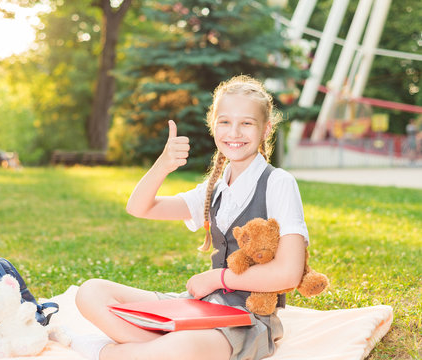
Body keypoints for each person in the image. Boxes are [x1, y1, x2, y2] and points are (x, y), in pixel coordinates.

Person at [72, 75, 309, 360]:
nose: (234, 132)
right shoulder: (215, 188)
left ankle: (109, 352)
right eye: (224, 122)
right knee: (91, 292)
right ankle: (152, 348)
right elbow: (139, 208)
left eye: (246, 123)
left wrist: (217, 278)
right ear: (213, 126)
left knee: (180, 348)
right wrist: (163, 165)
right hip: (201, 307)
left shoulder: (278, 183)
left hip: (248, 320)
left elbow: (289, 273)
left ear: (265, 129)